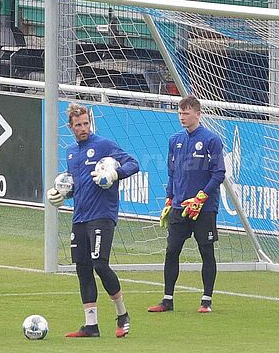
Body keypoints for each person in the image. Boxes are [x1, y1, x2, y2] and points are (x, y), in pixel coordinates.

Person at [47, 103, 140, 338]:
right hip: (80, 217)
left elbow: (133, 164)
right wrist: (61, 194)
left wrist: (114, 174)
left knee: (100, 264)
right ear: (71, 127)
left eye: (86, 123)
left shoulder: (103, 145)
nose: (83, 128)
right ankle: (91, 326)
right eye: (78, 125)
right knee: (83, 268)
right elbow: (77, 186)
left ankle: (122, 314)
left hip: (102, 215)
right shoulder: (71, 152)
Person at [148, 96, 225, 314]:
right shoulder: (175, 140)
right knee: (171, 251)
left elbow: (219, 173)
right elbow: (172, 173)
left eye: (186, 113)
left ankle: (206, 300)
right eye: (180, 113)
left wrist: (201, 197)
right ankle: (167, 300)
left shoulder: (211, 140)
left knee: (206, 251)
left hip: (204, 209)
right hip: (179, 207)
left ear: (198, 114)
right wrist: (169, 198)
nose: (182, 117)